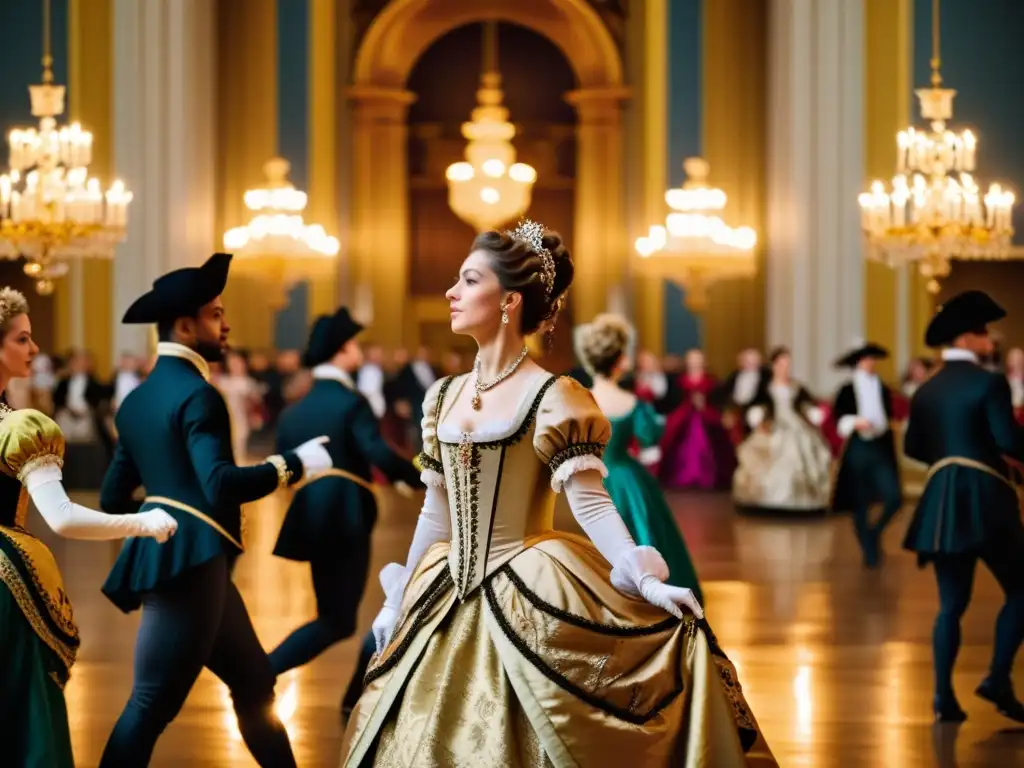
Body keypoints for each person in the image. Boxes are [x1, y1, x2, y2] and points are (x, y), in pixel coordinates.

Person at [341, 221, 776, 767]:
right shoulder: (442, 397)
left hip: (530, 588)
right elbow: (437, 510)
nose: (451, 292)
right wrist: (397, 597)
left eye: (468, 280)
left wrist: (643, 577)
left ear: (509, 301)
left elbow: (591, 501)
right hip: (445, 590)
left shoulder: (555, 396)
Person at [97, 253, 334, 767]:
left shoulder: (136, 400)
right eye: (216, 315)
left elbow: (116, 499)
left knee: (254, 685)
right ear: (186, 325)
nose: (226, 325)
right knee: (150, 703)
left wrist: (166, 512)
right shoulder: (200, 397)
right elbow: (221, 484)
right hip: (192, 573)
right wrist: (293, 464)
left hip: (195, 571)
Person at [0, 286, 178, 767]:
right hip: (4, 582)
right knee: (23, 704)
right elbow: (62, 516)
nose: (34, 350)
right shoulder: (16, 428)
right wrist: (142, 522)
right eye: (22, 339)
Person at [268, 307, 422, 709]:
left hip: (310, 513)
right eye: (354, 343)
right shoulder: (350, 402)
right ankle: (264, 672)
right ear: (342, 350)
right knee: (338, 621)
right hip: (345, 512)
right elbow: (377, 453)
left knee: (333, 617)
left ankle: (349, 695)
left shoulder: (295, 409)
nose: (358, 349)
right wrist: (425, 475)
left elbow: (284, 460)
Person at [902, 290, 1024, 723]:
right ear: (968, 338)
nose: (989, 339)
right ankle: (997, 677)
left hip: (941, 499)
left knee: (951, 604)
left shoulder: (927, 390)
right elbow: (1010, 441)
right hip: (986, 496)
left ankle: (943, 699)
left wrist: (951, 452)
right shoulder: (990, 382)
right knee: (1021, 590)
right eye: (983, 332)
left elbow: (914, 447)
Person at [575, 313, 703, 601]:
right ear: (620, 360)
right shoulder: (632, 402)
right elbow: (649, 438)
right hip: (627, 479)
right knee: (643, 534)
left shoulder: (578, 400)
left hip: (587, 478)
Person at [732, 346, 831, 515]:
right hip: (773, 424)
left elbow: (805, 404)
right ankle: (770, 498)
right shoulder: (765, 387)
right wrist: (759, 418)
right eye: (782, 364)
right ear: (774, 365)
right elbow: (758, 405)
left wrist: (812, 412)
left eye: (788, 364)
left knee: (803, 449)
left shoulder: (797, 386)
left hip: (795, 424)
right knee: (765, 453)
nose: (785, 367)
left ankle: (801, 499)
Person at [830, 341, 902, 568]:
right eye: (867, 359)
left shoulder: (881, 387)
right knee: (860, 501)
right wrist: (855, 422)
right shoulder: (847, 389)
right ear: (858, 362)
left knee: (894, 496)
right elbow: (838, 417)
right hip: (859, 446)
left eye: (873, 359)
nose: (871, 363)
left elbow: (889, 413)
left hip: (880, 445)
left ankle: (874, 532)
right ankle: (868, 549)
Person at [658, 349, 736, 490]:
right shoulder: (678, 381)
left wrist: (706, 406)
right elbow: (672, 401)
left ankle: (708, 477)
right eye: (692, 359)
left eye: (698, 359)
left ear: (703, 361)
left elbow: (719, 401)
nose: (695, 362)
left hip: (707, 417)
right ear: (687, 362)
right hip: (684, 418)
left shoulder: (712, 381)